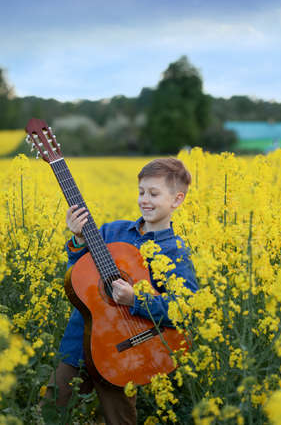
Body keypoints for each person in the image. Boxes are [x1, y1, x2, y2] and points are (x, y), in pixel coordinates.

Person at [44, 157, 198, 425]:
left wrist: (136, 299)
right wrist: (79, 238)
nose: (144, 200)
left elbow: (184, 308)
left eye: (154, 193)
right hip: (79, 342)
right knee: (49, 411)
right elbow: (77, 274)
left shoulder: (176, 253)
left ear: (176, 200)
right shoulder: (112, 231)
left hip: (124, 353)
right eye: (141, 192)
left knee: (120, 420)